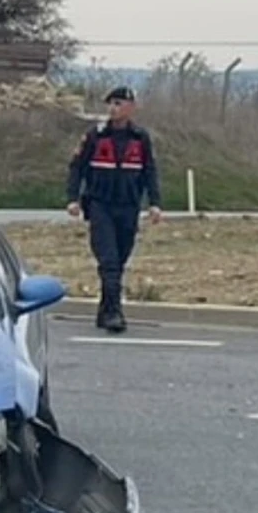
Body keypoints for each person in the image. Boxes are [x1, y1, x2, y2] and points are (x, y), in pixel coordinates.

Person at [66, 86, 162, 333]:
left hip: (128, 206)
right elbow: (77, 166)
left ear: (131, 108)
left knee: (120, 259)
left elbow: (150, 172)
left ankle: (105, 309)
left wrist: (155, 203)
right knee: (108, 260)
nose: (114, 108)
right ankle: (114, 313)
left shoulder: (140, 138)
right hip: (101, 205)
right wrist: (73, 198)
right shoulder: (95, 135)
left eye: (119, 104)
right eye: (111, 103)